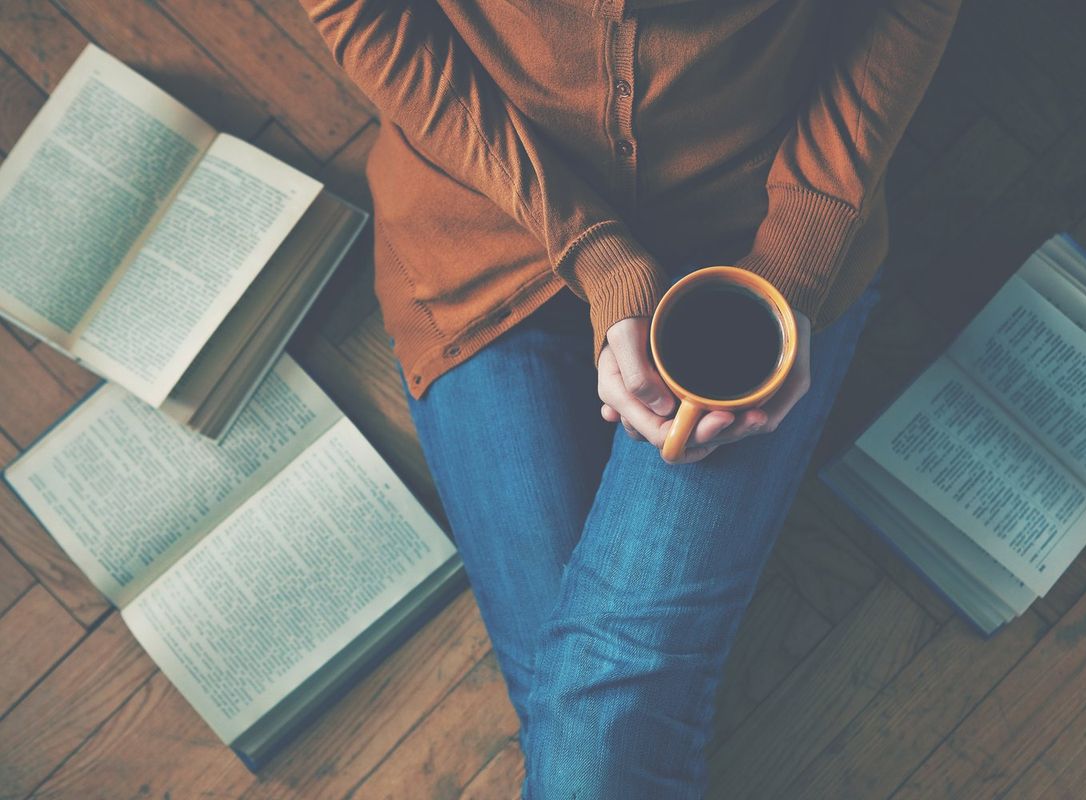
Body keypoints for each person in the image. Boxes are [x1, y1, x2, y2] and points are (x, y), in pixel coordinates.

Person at [300, 0, 962, 796]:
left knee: (587, 738)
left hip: (749, 239)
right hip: (483, 218)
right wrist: (595, 252)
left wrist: (792, 269)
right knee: (592, 732)